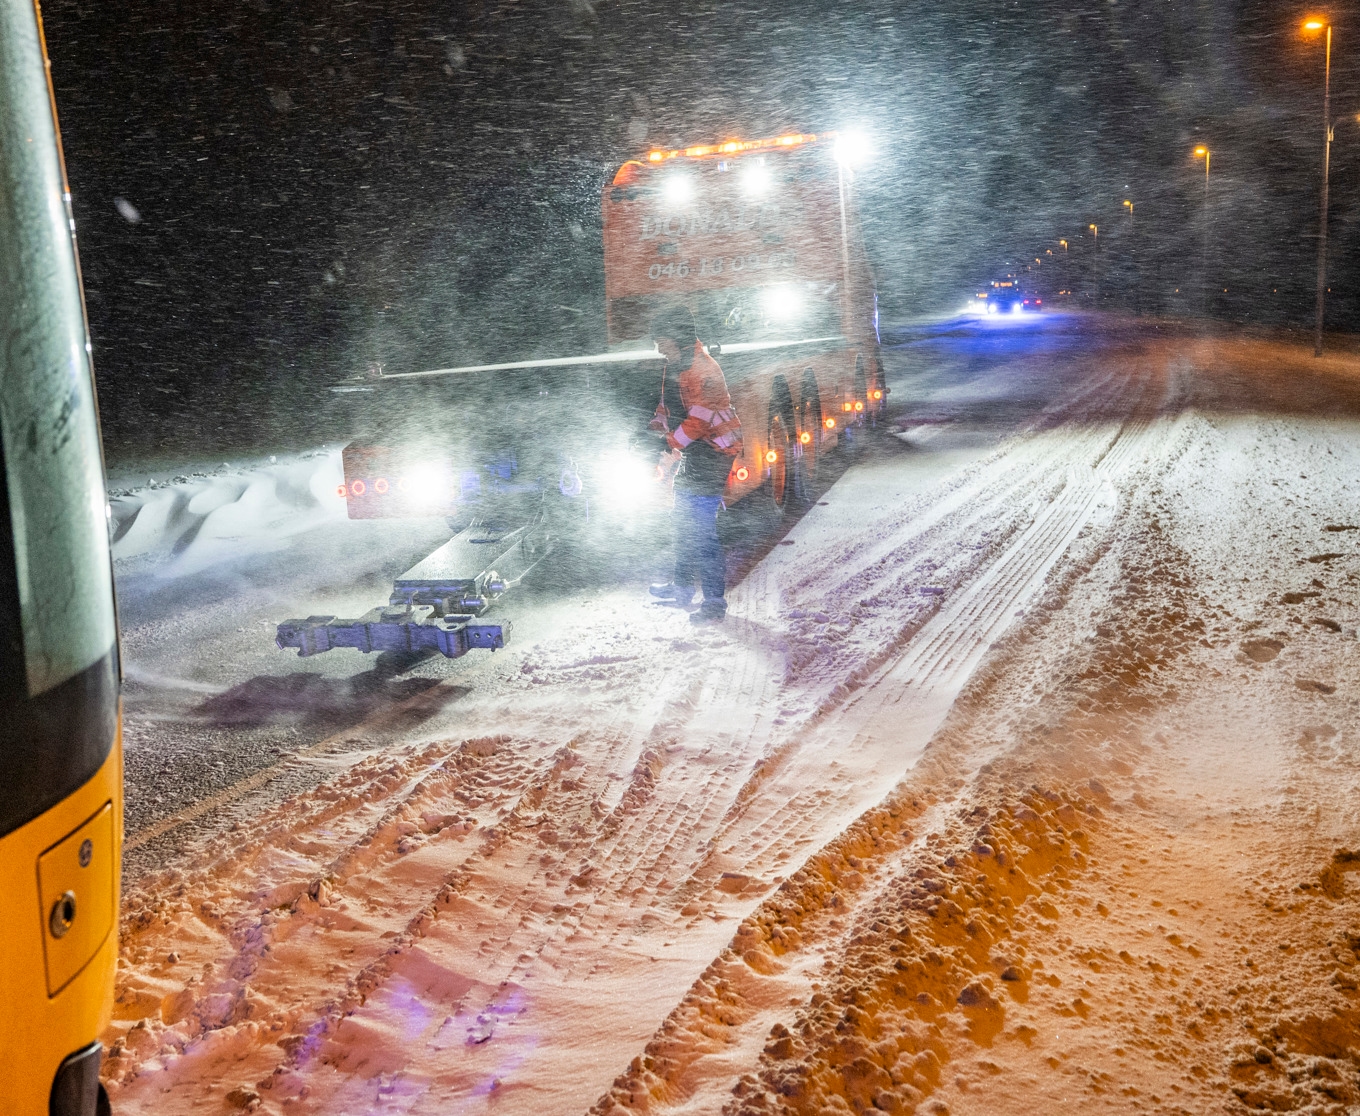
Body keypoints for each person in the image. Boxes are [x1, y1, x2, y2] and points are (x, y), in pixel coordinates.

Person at [647, 306, 743, 624]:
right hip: (697, 453)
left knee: (701, 532)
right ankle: (682, 590)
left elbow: (700, 419)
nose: (658, 346)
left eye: (661, 340)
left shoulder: (705, 369)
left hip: (715, 452)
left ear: (676, 338)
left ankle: (715, 603)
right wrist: (656, 425)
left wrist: (669, 442)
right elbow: (668, 404)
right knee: (683, 525)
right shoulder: (674, 365)